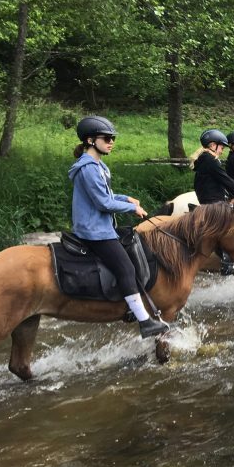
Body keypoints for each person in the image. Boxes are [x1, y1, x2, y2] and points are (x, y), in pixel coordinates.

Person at [68, 116, 169, 339]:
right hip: (94, 230)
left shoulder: (98, 165)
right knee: (126, 269)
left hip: (101, 226)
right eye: (107, 138)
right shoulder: (88, 168)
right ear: (91, 140)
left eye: (113, 138)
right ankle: (145, 322)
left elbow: (107, 195)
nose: (111, 142)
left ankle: (131, 307)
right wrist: (131, 209)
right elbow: (102, 203)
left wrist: (126, 198)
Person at [192, 129, 234, 205]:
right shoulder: (210, 160)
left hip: (209, 200)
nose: (222, 152)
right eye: (222, 148)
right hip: (214, 203)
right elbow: (225, 179)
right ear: (213, 145)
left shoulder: (204, 159)